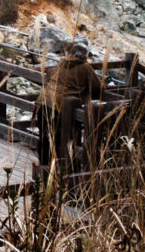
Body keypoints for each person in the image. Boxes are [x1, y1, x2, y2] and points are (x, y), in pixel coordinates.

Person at [35, 39, 103, 169]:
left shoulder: (62, 62)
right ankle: (63, 168)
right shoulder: (85, 67)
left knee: (44, 137)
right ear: (86, 56)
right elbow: (97, 88)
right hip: (60, 107)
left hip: (43, 102)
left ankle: (43, 167)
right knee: (63, 138)